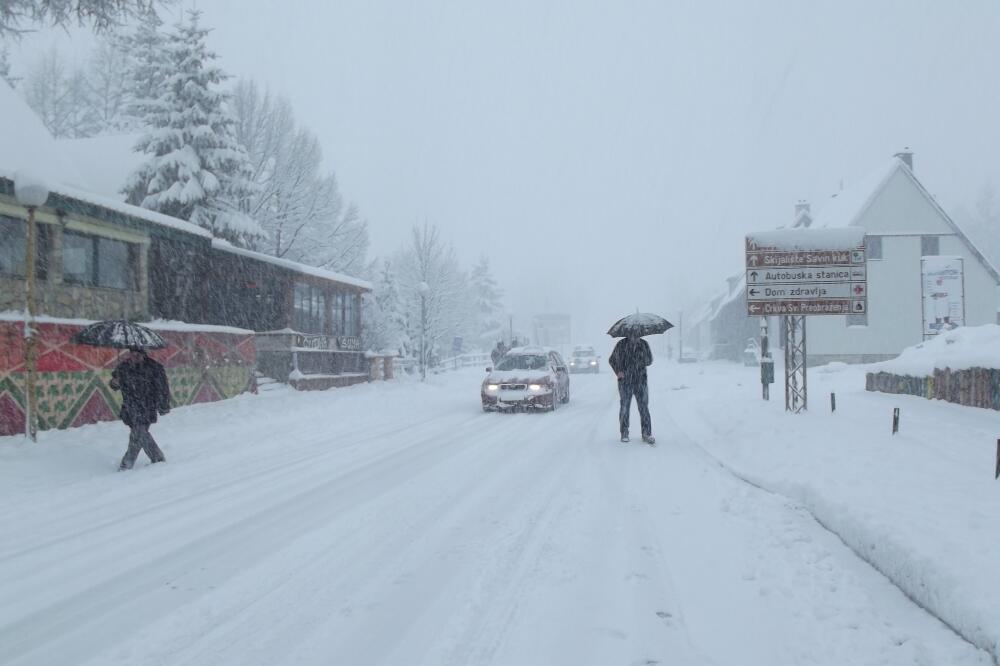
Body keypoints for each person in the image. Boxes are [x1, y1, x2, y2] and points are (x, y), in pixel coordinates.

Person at [109, 347, 171, 470]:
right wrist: (114, 383)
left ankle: (127, 463)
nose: (134, 356)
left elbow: (163, 388)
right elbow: (114, 384)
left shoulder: (154, 367)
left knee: (139, 432)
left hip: (147, 406)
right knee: (139, 434)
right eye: (132, 354)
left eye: (137, 354)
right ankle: (157, 458)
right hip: (130, 406)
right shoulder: (123, 367)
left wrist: (163, 405)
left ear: (143, 355)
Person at [608, 333, 655, 444]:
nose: (635, 337)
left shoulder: (644, 344)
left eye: (637, 334)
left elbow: (649, 361)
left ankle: (646, 433)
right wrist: (618, 371)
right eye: (633, 334)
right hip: (625, 382)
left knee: (644, 408)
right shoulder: (621, 345)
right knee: (624, 408)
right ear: (628, 334)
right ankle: (624, 433)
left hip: (641, 381)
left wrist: (642, 357)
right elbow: (612, 360)